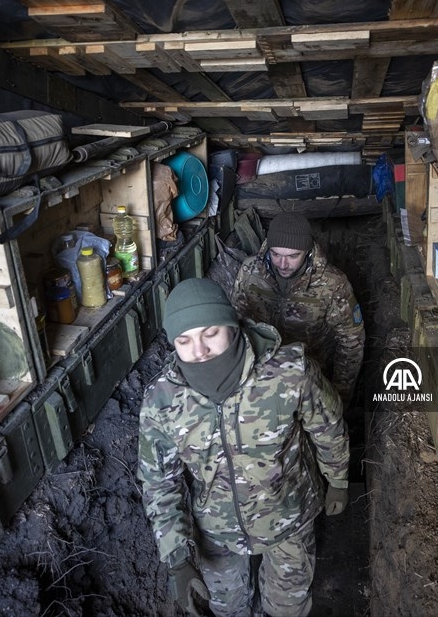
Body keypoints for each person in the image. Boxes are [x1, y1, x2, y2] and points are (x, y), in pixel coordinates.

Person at [137, 278, 350, 617]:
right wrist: (177, 556)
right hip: (216, 533)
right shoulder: (162, 402)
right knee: (228, 611)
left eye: (210, 333)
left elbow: (328, 426)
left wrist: (338, 479)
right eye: (184, 340)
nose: (200, 350)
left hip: (289, 519)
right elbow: (159, 482)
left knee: (287, 609)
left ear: (232, 326)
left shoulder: (289, 373)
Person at [230, 212, 365, 409]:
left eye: (293, 256)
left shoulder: (333, 284)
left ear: (308, 251)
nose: (283, 264)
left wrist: (338, 398)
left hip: (312, 381)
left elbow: (352, 343)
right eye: (275, 254)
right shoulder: (250, 272)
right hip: (261, 379)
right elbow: (235, 324)